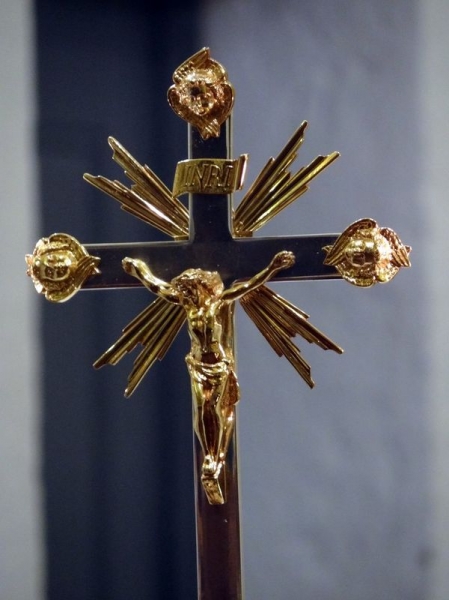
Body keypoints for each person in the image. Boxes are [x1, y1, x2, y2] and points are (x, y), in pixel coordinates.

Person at [123, 250, 295, 504]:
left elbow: (247, 286)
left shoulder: (218, 302)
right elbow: (157, 287)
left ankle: (217, 457)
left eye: (189, 290)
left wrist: (273, 267)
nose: (186, 294)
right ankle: (210, 457)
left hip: (218, 366)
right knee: (202, 409)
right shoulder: (187, 306)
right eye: (185, 291)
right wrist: (139, 270)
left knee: (216, 408)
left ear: (199, 287)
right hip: (198, 365)